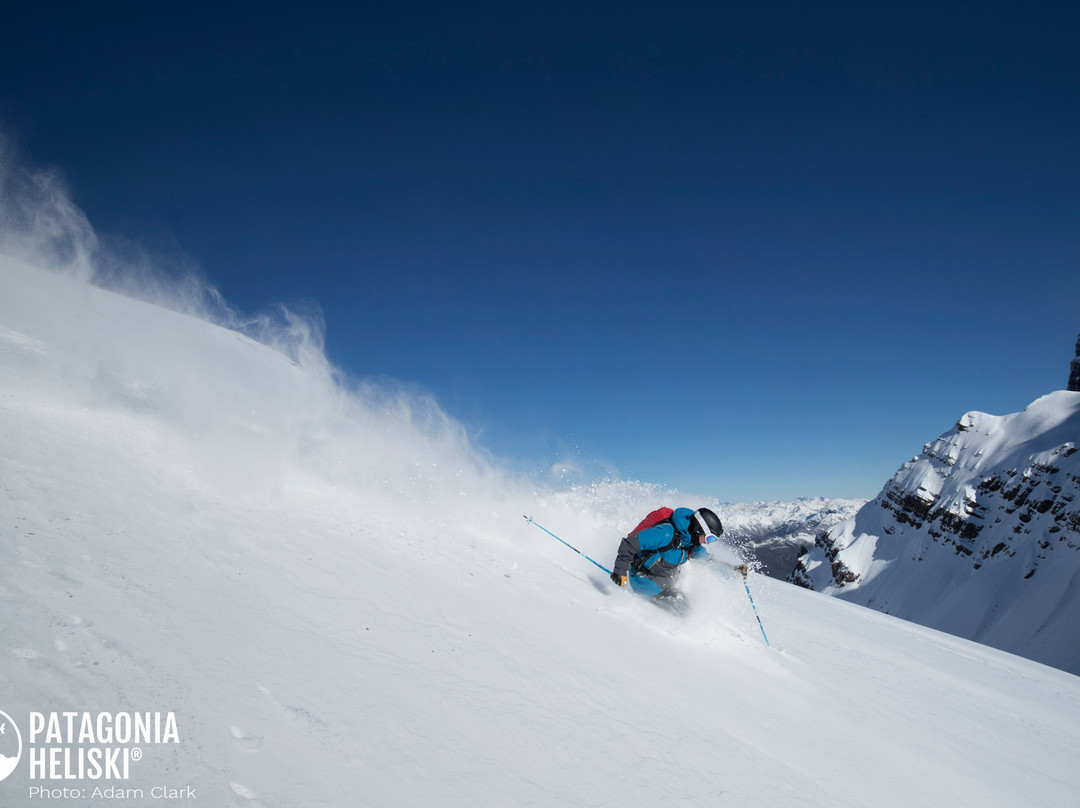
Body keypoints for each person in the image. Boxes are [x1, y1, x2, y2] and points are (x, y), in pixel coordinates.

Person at [609, 507, 726, 606]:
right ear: (698, 529)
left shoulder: (690, 541)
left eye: (713, 539)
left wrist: (731, 568)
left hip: (663, 577)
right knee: (682, 606)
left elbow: (706, 558)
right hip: (644, 581)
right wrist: (620, 571)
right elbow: (630, 543)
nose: (709, 542)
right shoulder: (666, 533)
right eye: (709, 538)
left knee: (684, 601)